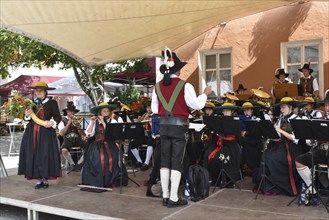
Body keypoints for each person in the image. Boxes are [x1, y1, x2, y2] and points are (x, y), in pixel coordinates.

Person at [151, 48, 212, 207]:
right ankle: (173, 197)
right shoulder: (185, 86)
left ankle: (165, 196)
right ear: (177, 70)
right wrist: (205, 93)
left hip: (164, 127)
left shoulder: (157, 87)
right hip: (179, 129)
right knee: (176, 161)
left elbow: (154, 109)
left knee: (165, 160)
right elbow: (197, 104)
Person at [255, 97, 303, 196]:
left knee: (271, 158)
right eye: (281, 108)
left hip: (292, 148)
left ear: (290, 107)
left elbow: (294, 138)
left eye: (283, 108)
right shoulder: (281, 119)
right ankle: (269, 184)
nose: (281, 110)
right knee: (265, 155)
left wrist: (280, 130)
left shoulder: (297, 119)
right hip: (281, 145)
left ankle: (280, 185)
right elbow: (277, 135)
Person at [18, 81, 62, 189]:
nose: (38, 92)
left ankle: (45, 179)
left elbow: (58, 116)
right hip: (32, 132)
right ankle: (38, 180)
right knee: (33, 154)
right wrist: (27, 115)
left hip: (46, 132)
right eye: (37, 90)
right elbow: (26, 119)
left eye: (41, 90)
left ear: (45, 92)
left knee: (45, 154)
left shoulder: (52, 103)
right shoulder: (30, 103)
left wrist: (52, 123)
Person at [295, 91, 329, 206]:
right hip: (322, 150)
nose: (327, 107)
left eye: (328, 105)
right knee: (300, 160)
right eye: (325, 105)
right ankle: (312, 190)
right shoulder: (323, 118)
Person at [82, 102, 127, 188]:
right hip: (97, 145)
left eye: (107, 111)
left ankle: (110, 179)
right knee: (97, 160)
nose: (106, 113)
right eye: (104, 111)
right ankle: (99, 179)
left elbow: (111, 132)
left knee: (111, 159)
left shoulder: (112, 120)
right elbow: (88, 134)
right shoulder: (95, 122)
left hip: (110, 144)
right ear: (100, 113)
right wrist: (92, 122)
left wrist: (103, 122)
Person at [203, 102, 242, 185]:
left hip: (231, 145)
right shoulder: (219, 120)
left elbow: (238, 137)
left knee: (218, 157)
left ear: (232, 112)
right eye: (223, 111)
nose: (224, 113)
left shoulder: (236, 120)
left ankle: (224, 179)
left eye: (227, 111)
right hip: (219, 142)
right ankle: (211, 177)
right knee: (207, 154)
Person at [58, 102, 87, 171]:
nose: (72, 112)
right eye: (70, 111)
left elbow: (83, 134)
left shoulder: (77, 120)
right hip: (67, 140)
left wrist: (79, 128)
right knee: (64, 150)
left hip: (77, 139)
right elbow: (61, 133)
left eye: (73, 111)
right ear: (67, 112)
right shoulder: (62, 121)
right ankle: (72, 164)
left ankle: (79, 164)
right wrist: (68, 124)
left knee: (89, 148)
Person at [130, 102, 155, 171]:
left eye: (150, 107)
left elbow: (156, 128)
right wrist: (139, 121)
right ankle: (139, 161)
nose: (148, 109)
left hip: (152, 135)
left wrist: (150, 123)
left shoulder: (155, 115)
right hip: (144, 134)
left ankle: (146, 163)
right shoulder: (144, 115)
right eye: (147, 108)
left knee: (150, 141)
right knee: (132, 144)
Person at [239, 102, 262, 175]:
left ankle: (252, 169)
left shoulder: (257, 119)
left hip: (254, 141)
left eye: (248, 110)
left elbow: (258, 132)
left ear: (252, 110)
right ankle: (245, 167)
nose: (246, 112)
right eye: (244, 110)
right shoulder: (240, 119)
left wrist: (246, 133)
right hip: (245, 140)